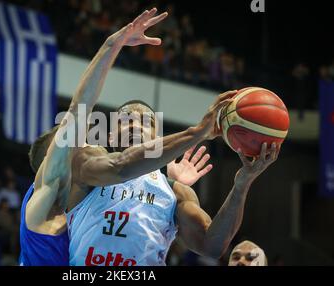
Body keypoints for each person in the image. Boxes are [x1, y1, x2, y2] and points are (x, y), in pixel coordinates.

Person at [19, 8, 170, 266]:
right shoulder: (46, 196)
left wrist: (168, 183)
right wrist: (111, 45)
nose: (89, 147)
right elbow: (79, 109)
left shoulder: (72, 203)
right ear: (52, 160)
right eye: (78, 145)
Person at [66, 98, 280, 265]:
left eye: (146, 122)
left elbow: (212, 246)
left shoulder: (175, 192)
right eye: (126, 120)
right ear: (111, 137)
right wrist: (197, 133)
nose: (135, 126)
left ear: (158, 138)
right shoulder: (89, 166)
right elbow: (120, 166)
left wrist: (241, 186)